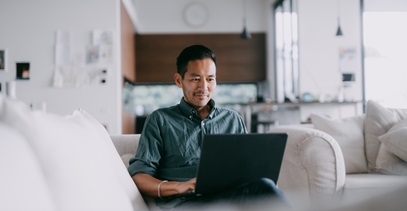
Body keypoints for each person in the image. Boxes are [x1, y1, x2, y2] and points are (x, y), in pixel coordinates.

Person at [128, 45, 287, 210]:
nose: (204, 88)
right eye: (195, 79)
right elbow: (139, 176)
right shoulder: (160, 120)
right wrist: (180, 186)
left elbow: (245, 170)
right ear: (178, 80)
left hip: (227, 200)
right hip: (184, 204)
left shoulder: (232, 119)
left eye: (210, 79)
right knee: (264, 189)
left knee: (265, 187)